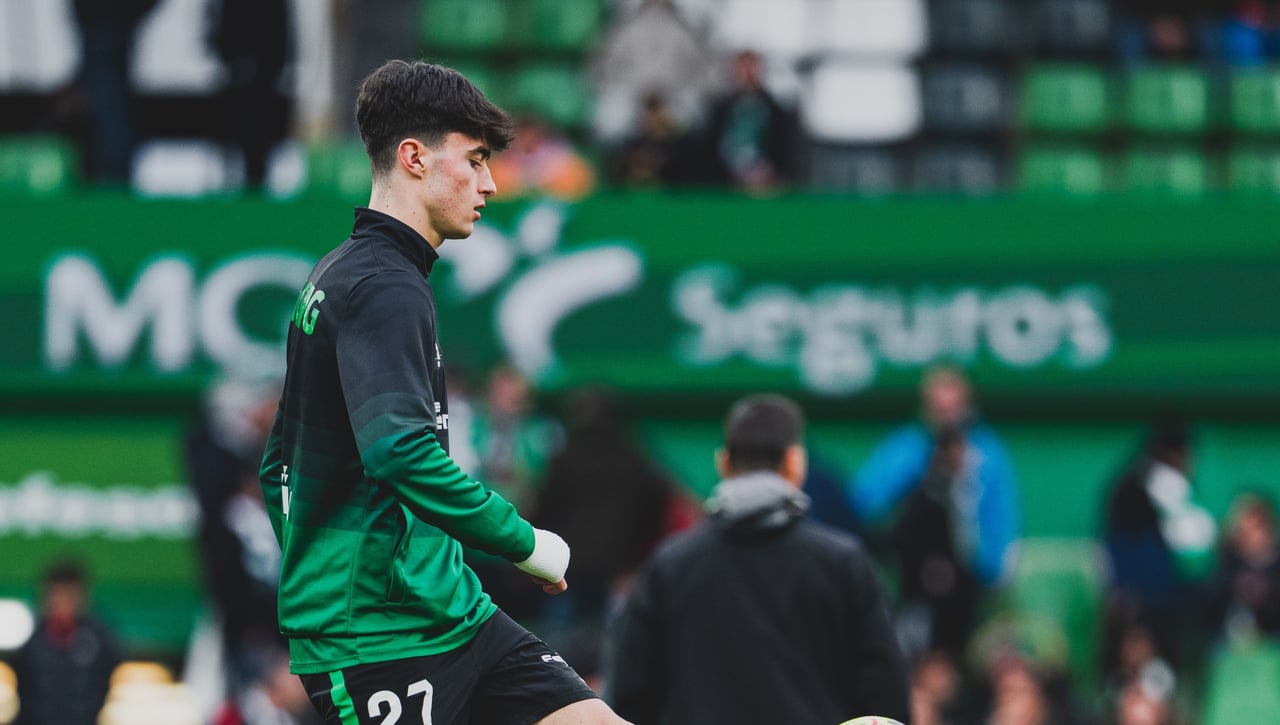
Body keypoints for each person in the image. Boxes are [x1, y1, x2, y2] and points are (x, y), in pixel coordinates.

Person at [257, 60, 627, 725]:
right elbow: (399, 452)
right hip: (378, 639)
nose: (490, 183)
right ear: (414, 158)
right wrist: (525, 542)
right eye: (476, 160)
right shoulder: (384, 287)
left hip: (454, 611)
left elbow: (276, 464)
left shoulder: (345, 274)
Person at [607, 394, 910, 725]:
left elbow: (629, 693)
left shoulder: (670, 564)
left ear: (724, 463)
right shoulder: (844, 562)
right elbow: (886, 690)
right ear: (795, 462)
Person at [848, 364, 1021, 595]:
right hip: (908, 575)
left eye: (954, 409)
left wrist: (991, 576)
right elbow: (863, 503)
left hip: (968, 582)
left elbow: (999, 523)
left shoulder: (987, 455)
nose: (947, 420)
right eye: (939, 410)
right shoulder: (904, 449)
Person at [11, 561, 121, 725]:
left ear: (82, 596)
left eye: (69, 595)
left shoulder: (98, 638)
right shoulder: (28, 633)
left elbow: (104, 683)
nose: (63, 602)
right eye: (57, 594)